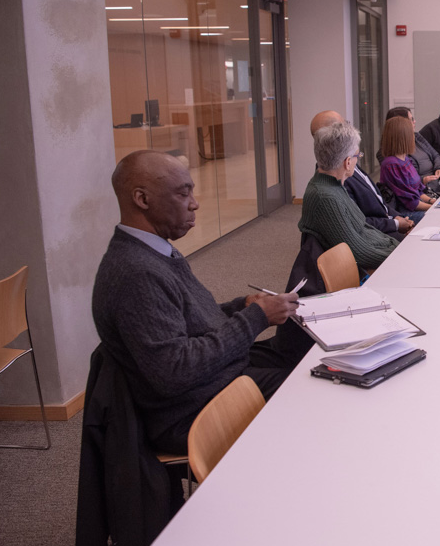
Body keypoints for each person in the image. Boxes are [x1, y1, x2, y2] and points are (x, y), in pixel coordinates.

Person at [91, 150, 302, 455]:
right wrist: (255, 318)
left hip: (216, 380)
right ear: (142, 199)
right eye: (182, 193)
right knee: (311, 392)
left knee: (306, 361)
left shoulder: (154, 250)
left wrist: (240, 306)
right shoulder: (137, 274)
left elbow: (189, 322)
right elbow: (174, 371)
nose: (195, 203)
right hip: (189, 411)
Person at [300, 122, 399, 273]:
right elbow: (358, 252)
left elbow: (363, 230)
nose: (358, 159)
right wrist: (399, 253)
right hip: (361, 272)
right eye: (357, 155)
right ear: (347, 162)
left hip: (376, 255)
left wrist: (395, 244)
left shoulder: (333, 185)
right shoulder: (326, 197)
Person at [310, 110, 414, 238]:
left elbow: (378, 200)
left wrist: (397, 218)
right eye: (344, 125)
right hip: (379, 233)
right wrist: (396, 224)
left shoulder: (345, 165)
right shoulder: (337, 177)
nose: (349, 127)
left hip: (385, 225)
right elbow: (360, 228)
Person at [380, 106, 440, 195]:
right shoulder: (392, 157)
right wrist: (423, 182)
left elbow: (435, 155)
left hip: (430, 185)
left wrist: (439, 168)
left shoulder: (417, 137)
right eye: (411, 119)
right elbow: (408, 192)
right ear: (401, 124)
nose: (414, 121)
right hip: (424, 189)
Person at [380, 115, 437, 214]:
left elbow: (417, 191)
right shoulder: (392, 164)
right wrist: (434, 208)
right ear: (403, 137)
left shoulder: (405, 159)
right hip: (407, 213)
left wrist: (431, 201)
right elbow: (411, 203)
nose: (414, 136)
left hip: (418, 206)